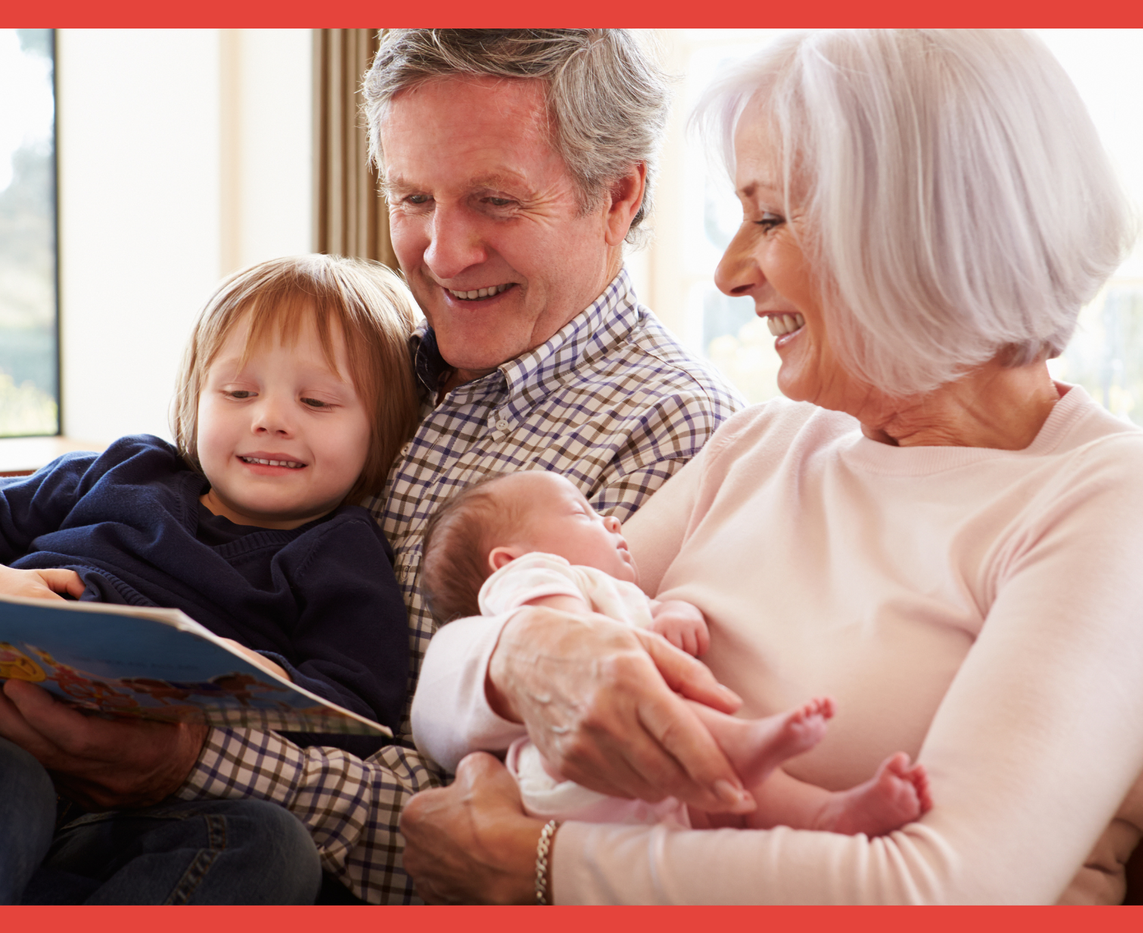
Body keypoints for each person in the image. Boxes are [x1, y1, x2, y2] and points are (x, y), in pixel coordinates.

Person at [400, 29, 1143, 905]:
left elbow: (940, 891)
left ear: (919, 227)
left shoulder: (1125, 501)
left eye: (771, 217)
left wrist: (543, 865)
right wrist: (520, 654)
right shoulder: (763, 446)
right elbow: (441, 686)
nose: (729, 271)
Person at [161, 29, 743, 903]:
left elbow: (512, 831)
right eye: (413, 198)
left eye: (496, 202)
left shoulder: (674, 432)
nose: (442, 253)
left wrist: (187, 760)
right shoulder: (354, 367)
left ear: (619, 193)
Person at [0, 254, 419, 903]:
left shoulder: (344, 553)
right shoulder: (127, 469)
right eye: (238, 392)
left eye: (317, 400)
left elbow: (357, 710)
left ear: (381, 428)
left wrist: (250, 676)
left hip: (124, 810)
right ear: (195, 398)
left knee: (269, 843)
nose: (270, 417)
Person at [418, 468, 932, 836]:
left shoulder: (618, 594)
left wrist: (676, 613)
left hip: (644, 808)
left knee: (736, 805)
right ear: (510, 560)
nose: (615, 520)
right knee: (678, 714)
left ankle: (827, 816)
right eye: (584, 512)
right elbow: (565, 646)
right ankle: (745, 742)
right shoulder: (536, 579)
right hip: (574, 772)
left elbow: (658, 612)